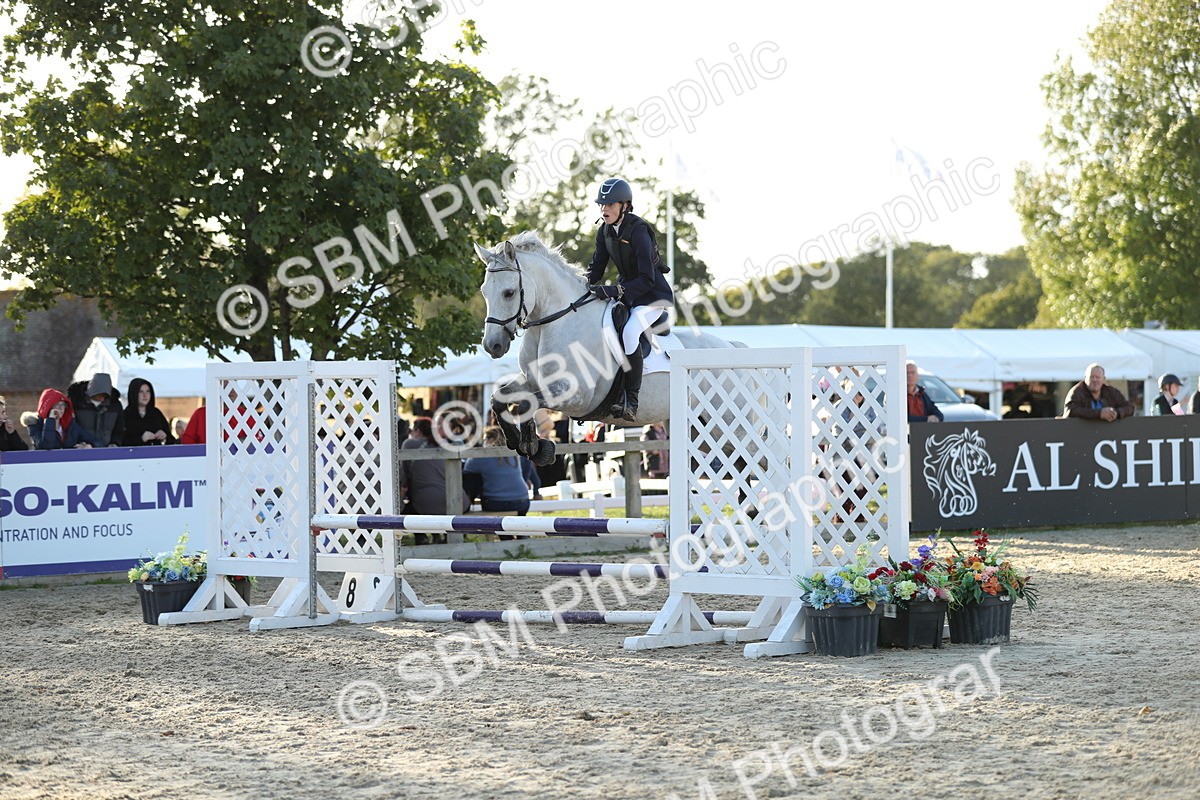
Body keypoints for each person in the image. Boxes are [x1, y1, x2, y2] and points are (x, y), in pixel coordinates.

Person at [585, 177, 674, 421]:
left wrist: (615, 291)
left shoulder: (639, 230)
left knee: (630, 332)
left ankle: (631, 399)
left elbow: (646, 278)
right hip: (631, 294)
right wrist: (581, 284)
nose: (605, 209)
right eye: (602, 205)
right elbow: (596, 269)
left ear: (625, 205)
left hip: (653, 295)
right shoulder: (604, 231)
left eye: (611, 205)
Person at [400, 417, 465, 545]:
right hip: (460, 501)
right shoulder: (445, 444)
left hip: (427, 503)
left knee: (409, 508)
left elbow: (403, 477)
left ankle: (421, 537)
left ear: (418, 431)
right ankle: (440, 536)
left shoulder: (410, 444)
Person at [464, 427, 535, 526]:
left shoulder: (484, 455)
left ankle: (506, 538)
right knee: (519, 526)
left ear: (491, 439)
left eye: (485, 439)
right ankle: (521, 536)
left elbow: (467, 469)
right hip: (523, 500)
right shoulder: (513, 453)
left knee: (472, 477)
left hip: (496, 502)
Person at [28, 389, 98, 449]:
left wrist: (90, 446)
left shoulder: (70, 425)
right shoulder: (35, 425)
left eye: (63, 405)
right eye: (57, 404)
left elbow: (97, 442)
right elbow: (47, 446)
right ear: (47, 407)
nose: (61, 408)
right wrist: (51, 420)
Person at [1062, 363, 1135, 421]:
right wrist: (1099, 414)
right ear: (1085, 379)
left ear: (1104, 379)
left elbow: (1129, 407)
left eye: (1098, 377)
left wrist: (1116, 413)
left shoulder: (1111, 392)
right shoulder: (1076, 392)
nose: (1094, 380)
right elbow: (1070, 411)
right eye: (1091, 377)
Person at [68, 372, 124, 447]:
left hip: (108, 451)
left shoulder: (114, 406)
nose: (102, 397)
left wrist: (115, 443)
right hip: (82, 449)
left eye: (105, 395)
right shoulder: (77, 403)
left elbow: (119, 429)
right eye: (100, 394)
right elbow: (71, 428)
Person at [122, 378, 176, 446]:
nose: (145, 395)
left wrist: (164, 436)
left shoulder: (156, 414)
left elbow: (171, 439)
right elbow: (121, 441)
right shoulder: (125, 415)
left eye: (148, 391)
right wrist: (141, 438)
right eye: (140, 391)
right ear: (134, 393)